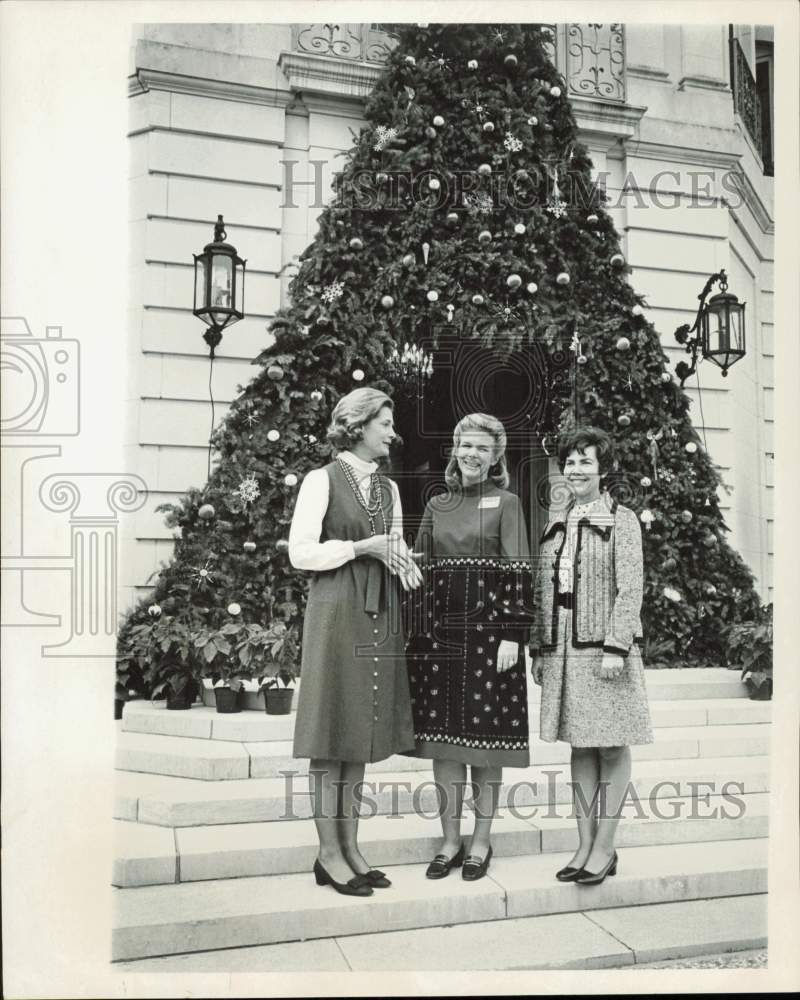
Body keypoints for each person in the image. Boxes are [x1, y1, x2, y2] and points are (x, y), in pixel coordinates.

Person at [289, 387, 422, 897]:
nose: (393, 432)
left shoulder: (388, 489)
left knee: (360, 733)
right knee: (330, 734)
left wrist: (406, 564)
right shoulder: (319, 480)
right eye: (384, 423)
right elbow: (301, 553)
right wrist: (360, 547)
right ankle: (327, 854)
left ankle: (351, 847)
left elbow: (396, 545)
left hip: (379, 610)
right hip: (336, 608)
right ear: (357, 425)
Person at [405, 413, 533, 882]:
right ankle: (449, 840)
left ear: (496, 456)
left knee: (486, 746)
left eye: (483, 448)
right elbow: (418, 570)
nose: (472, 454)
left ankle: (481, 841)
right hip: (439, 640)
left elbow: (519, 570)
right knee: (444, 746)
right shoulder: (437, 504)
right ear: (454, 449)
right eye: (465, 445)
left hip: (489, 640)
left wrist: (512, 634)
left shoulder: (507, 502)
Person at [530, 425, 654, 885]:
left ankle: (605, 847)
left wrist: (617, 646)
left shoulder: (621, 520)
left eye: (585, 461)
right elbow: (545, 590)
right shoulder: (556, 521)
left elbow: (631, 588)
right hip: (562, 645)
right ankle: (583, 845)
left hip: (605, 649)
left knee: (611, 743)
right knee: (580, 744)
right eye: (570, 461)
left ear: (603, 469)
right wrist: (540, 646)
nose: (575, 468)